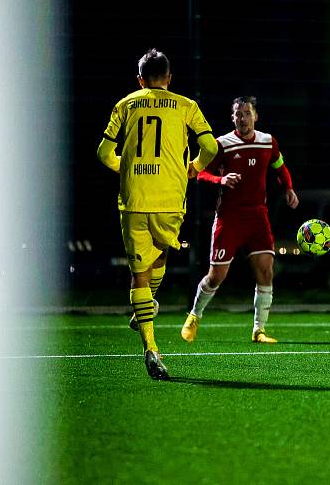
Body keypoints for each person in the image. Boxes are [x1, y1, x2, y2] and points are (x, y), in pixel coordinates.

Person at [97, 48, 218, 380]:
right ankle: (147, 306)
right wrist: (193, 167)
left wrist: (128, 168)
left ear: (140, 79)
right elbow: (211, 147)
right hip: (169, 198)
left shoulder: (126, 104)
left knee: (138, 274)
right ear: (169, 78)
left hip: (134, 198)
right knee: (161, 252)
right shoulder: (186, 106)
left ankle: (150, 346)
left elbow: (104, 152)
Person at [180, 96, 299, 344]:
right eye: (238, 114)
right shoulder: (222, 144)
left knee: (266, 272)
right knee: (216, 276)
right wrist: (220, 180)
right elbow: (200, 173)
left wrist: (288, 188)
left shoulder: (268, 142)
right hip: (229, 218)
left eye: (247, 113)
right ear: (232, 118)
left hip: (258, 217)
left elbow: (280, 167)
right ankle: (194, 314)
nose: (243, 118)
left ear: (256, 116)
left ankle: (259, 330)